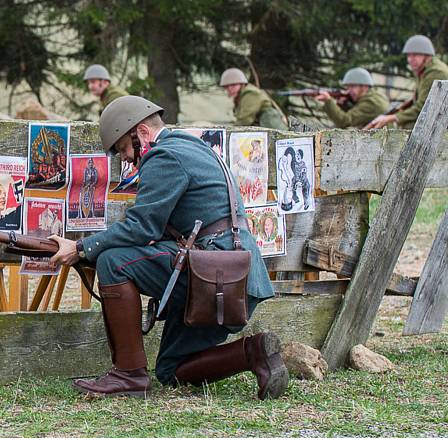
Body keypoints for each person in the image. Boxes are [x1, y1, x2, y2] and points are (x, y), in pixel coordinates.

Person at [49, 95, 287, 400]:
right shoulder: (192, 146)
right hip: (232, 276)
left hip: (215, 275)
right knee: (171, 369)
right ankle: (255, 353)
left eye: (123, 148)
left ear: (143, 133)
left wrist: (81, 247)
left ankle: (129, 374)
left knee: (112, 261)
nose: (125, 158)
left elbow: (141, 226)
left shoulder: (164, 156)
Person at [366, 35, 448, 129]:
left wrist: (392, 118)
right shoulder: (423, 70)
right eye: (408, 55)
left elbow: (424, 108)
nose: (410, 59)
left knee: (409, 126)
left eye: (415, 55)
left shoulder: (435, 72)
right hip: (438, 116)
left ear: (427, 55)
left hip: (442, 119)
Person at [314, 68, 389, 128]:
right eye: (347, 87)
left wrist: (328, 101)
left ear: (364, 86)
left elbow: (344, 121)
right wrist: (344, 105)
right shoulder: (374, 96)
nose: (348, 91)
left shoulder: (371, 102)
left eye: (352, 86)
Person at [220, 68, 288, 129]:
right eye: (226, 87)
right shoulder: (242, 96)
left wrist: (230, 131)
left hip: (272, 128)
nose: (230, 89)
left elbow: (245, 120)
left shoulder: (250, 93)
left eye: (233, 85)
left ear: (242, 84)